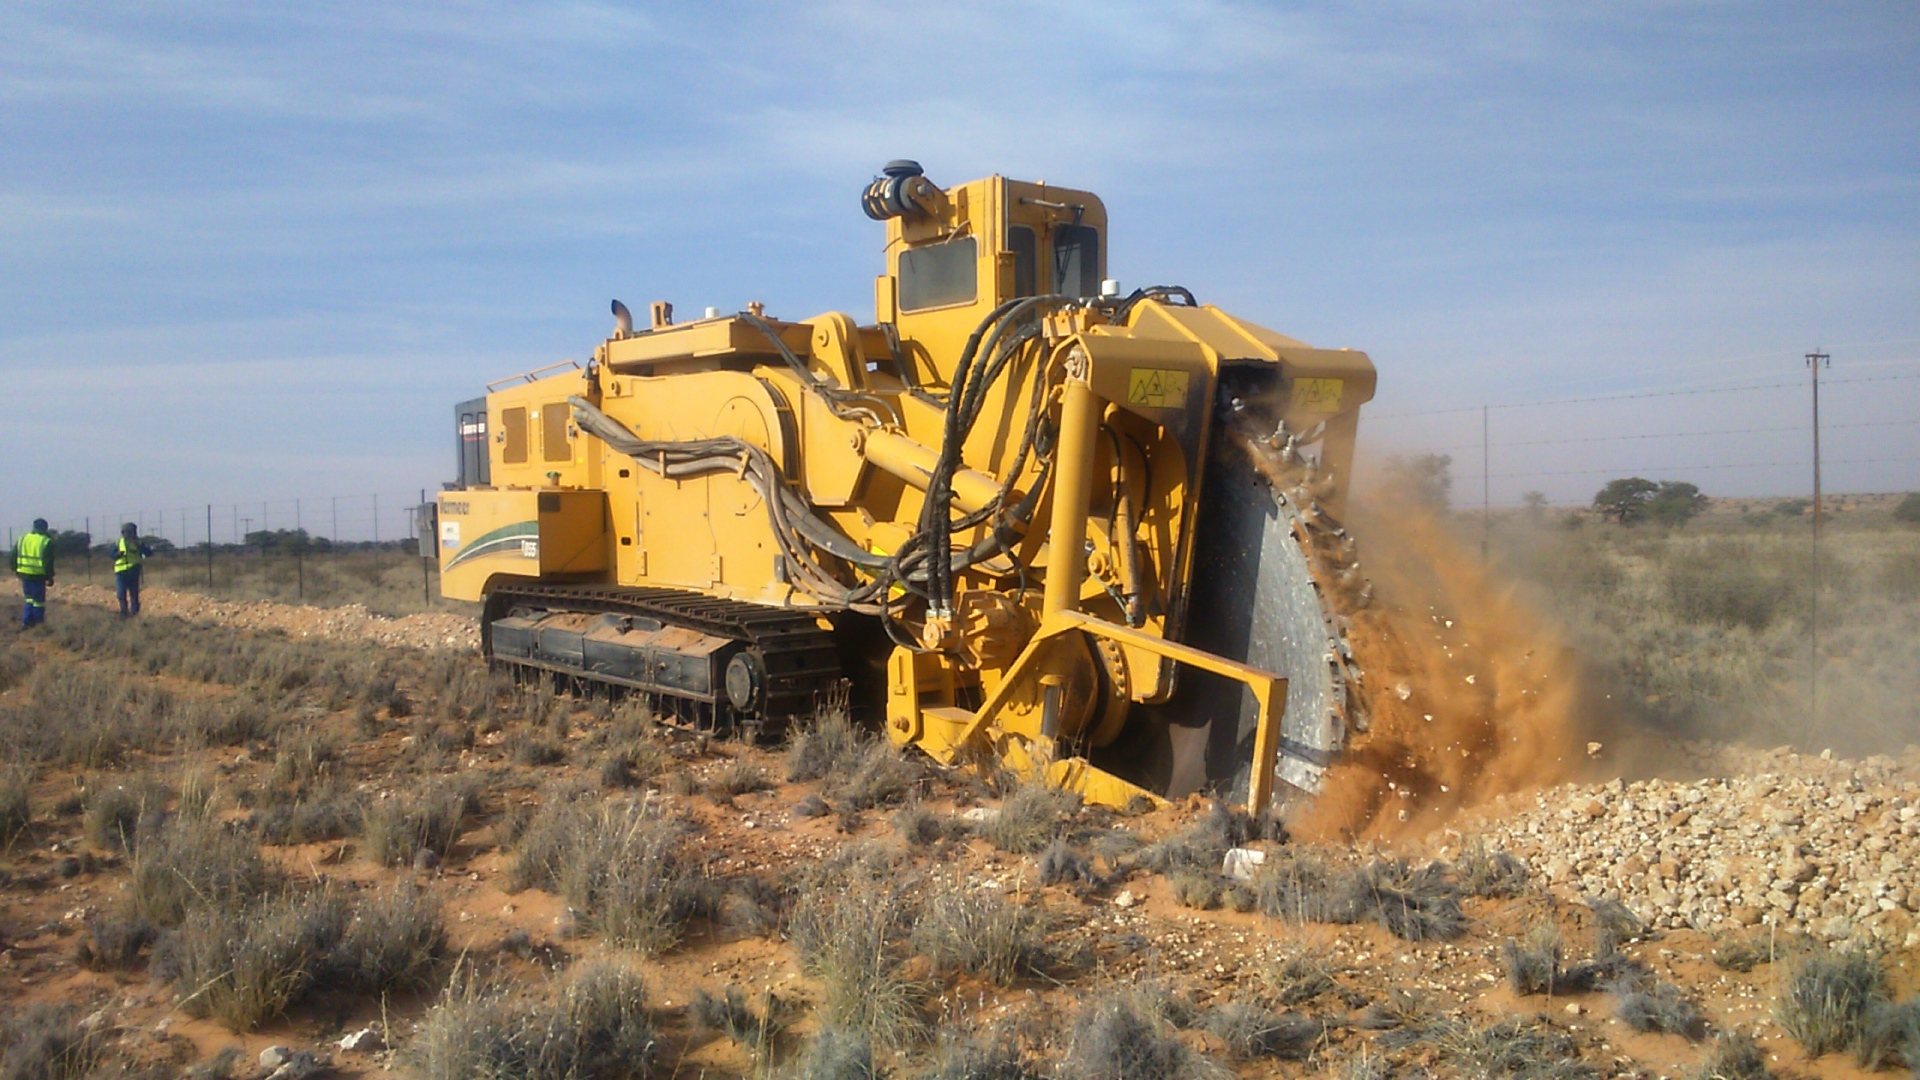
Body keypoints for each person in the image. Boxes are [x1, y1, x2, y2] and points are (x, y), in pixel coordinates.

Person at [12, 519, 54, 628]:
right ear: (45, 528)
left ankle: (26, 622)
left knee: (29, 599)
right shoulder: (46, 541)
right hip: (38, 575)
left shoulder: (22, 539)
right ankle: (38, 624)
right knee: (38, 601)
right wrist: (50, 577)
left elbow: (13, 556)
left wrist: (15, 570)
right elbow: (48, 562)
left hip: (24, 574)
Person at [114, 522, 153, 618]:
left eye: (130, 532)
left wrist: (139, 546)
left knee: (134, 594)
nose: (127, 534)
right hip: (120, 572)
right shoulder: (119, 542)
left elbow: (148, 553)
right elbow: (112, 555)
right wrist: (118, 554)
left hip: (133, 570)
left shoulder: (139, 543)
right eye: (125, 532)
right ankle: (123, 612)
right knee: (121, 593)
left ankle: (135, 614)